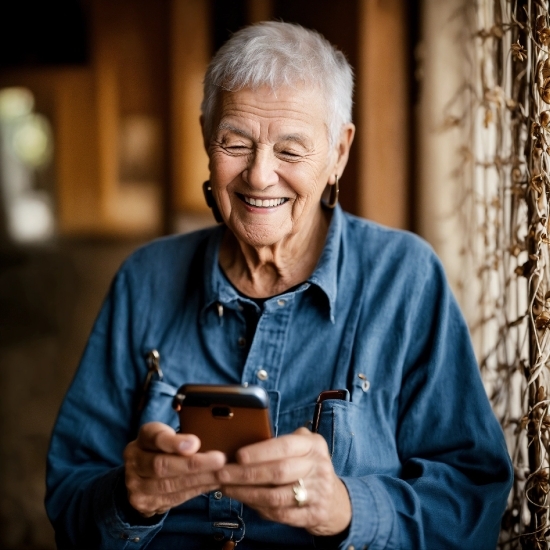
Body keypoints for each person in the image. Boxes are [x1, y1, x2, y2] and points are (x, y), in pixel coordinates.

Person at [45, 21, 512, 550]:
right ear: (205, 135)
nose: (259, 176)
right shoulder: (144, 278)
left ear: (339, 152)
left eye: (291, 150)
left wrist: (346, 507)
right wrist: (130, 497)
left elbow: (474, 499)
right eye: (236, 143)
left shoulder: (405, 278)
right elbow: (69, 493)